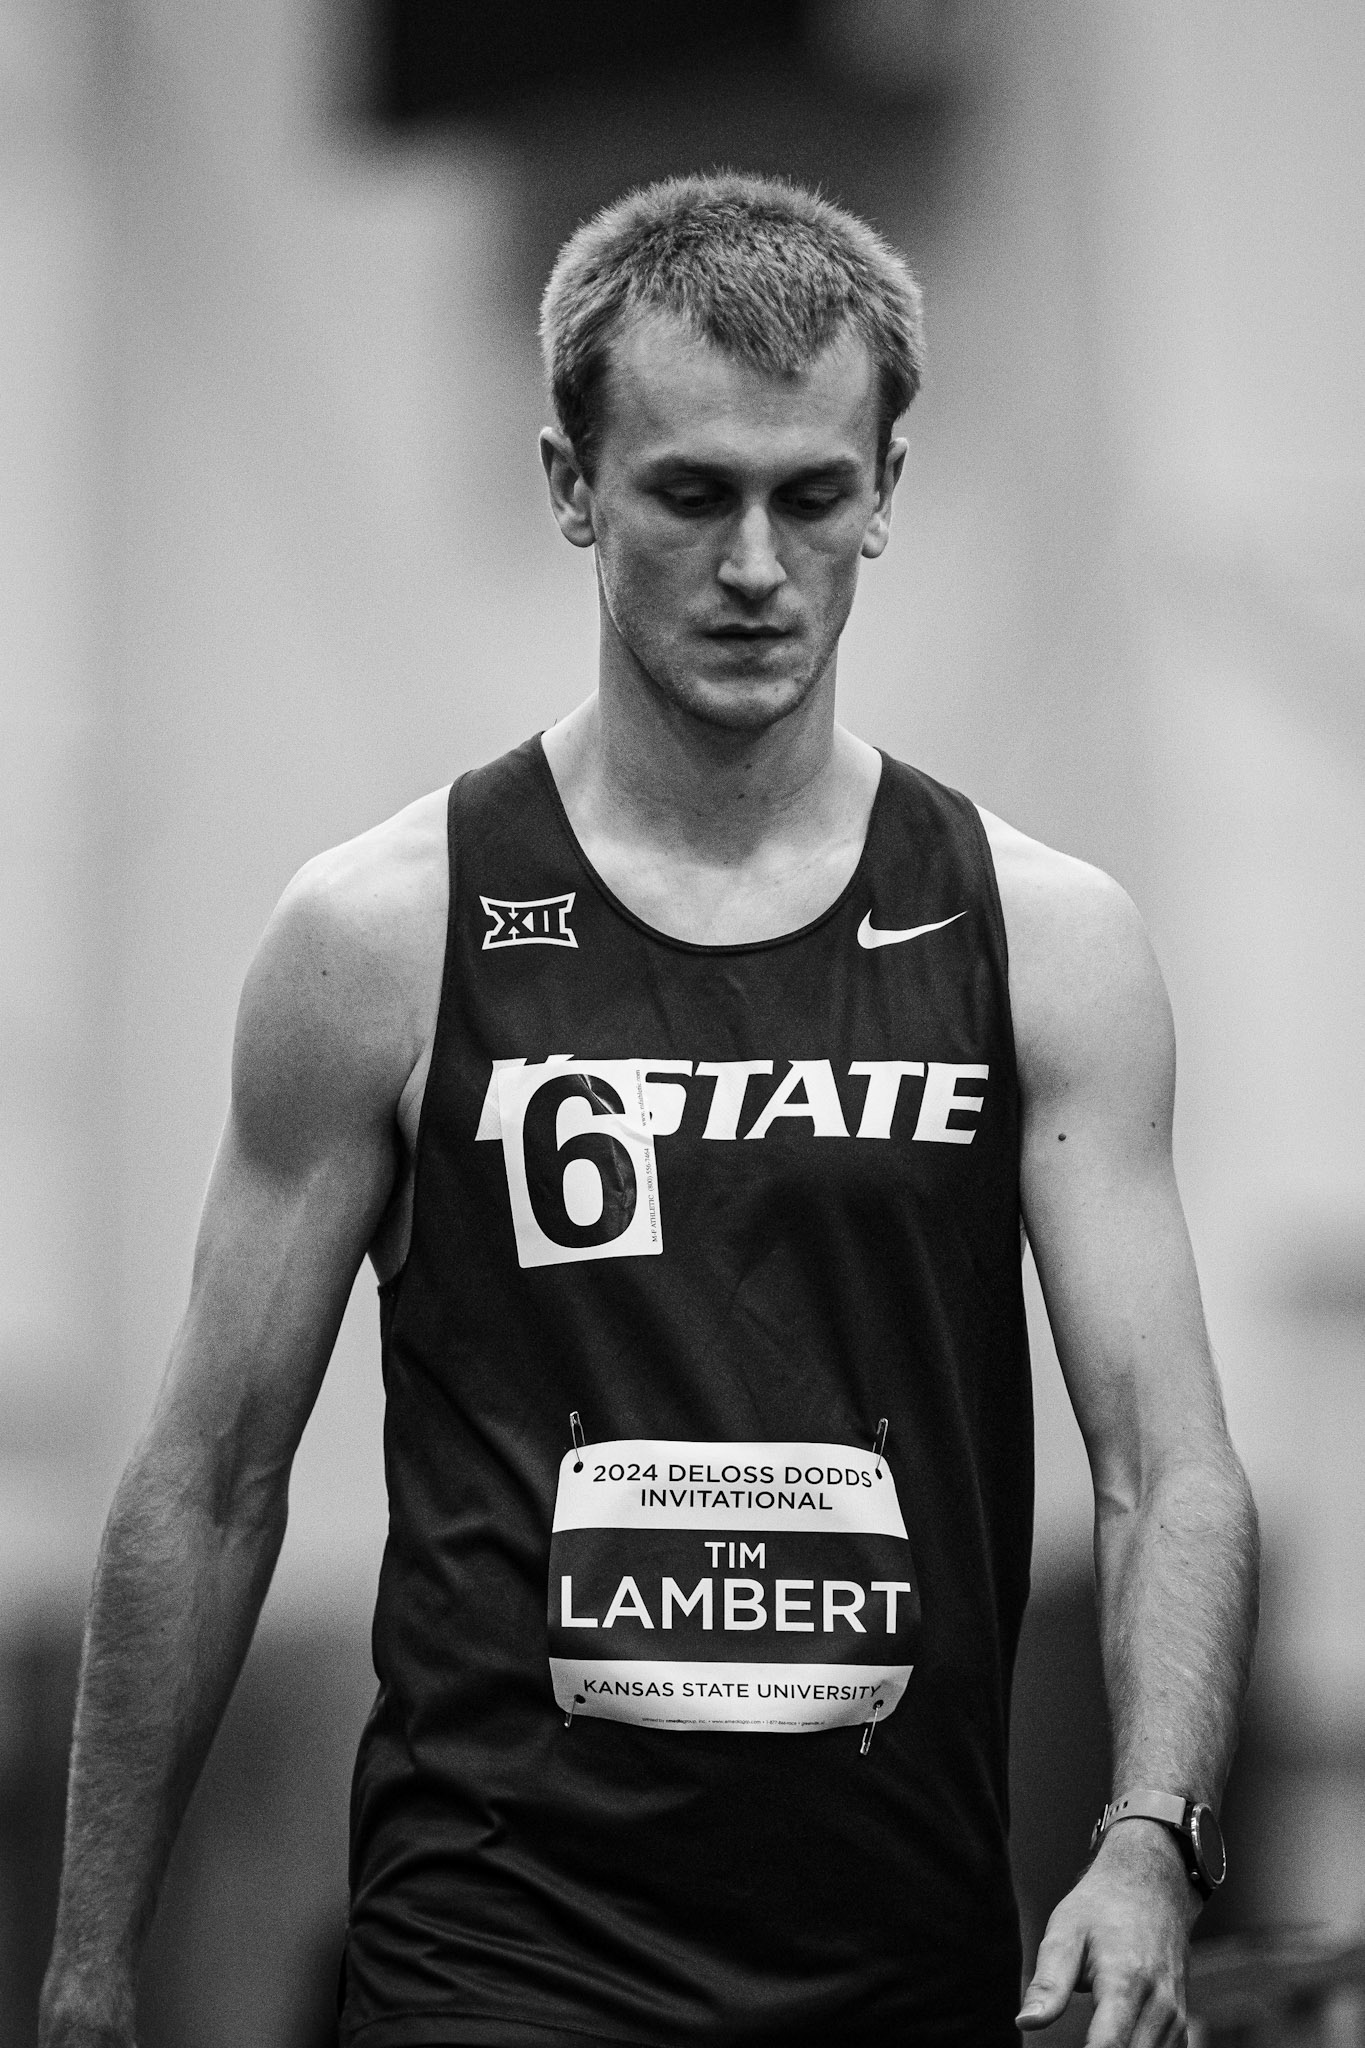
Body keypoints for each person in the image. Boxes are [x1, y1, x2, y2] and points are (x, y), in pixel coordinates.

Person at [40, 173, 1258, 2048]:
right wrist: (89, 1965)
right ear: (570, 487)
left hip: (905, 1958)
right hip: (495, 1961)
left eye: (812, 494)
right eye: (693, 493)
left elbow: (1165, 1468)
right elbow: (207, 1483)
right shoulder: (382, 934)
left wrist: (1148, 1840)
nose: (758, 567)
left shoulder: (1045, 940)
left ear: (886, 499)